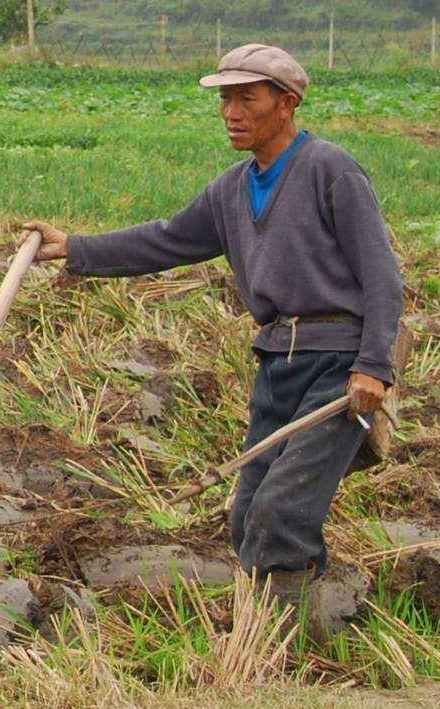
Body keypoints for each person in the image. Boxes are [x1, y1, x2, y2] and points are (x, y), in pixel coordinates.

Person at [20, 42, 401, 631]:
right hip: (277, 361)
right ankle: (281, 636)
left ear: (287, 104)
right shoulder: (231, 189)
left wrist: (374, 365)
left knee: (283, 512)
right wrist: (76, 247)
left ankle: (290, 653)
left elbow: (382, 275)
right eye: (225, 99)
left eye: (247, 98)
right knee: (248, 514)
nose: (231, 112)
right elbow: (166, 239)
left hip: (337, 362)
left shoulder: (332, 171)